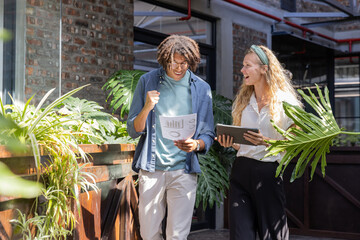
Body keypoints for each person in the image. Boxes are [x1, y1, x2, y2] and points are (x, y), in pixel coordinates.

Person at [127, 35, 215, 240]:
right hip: (151, 169)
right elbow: (133, 129)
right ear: (164, 59)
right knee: (149, 234)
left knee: (177, 235)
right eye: (173, 63)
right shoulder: (147, 81)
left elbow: (208, 134)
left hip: (183, 171)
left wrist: (196, 144)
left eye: (183, 63)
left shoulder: (201, 89)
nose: (178, 68)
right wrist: (148, 107)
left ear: (190, 62)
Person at [217, 45, 302, 240]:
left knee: (273, 235)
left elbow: (296, 144)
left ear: (264, 68)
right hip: (241, 172)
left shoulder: (286, 102)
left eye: (247, 65)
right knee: (240, 235)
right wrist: (231, 142)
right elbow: (243, 144)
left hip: (269, 174)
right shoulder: (243, 102)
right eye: (243, 66)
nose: (242, 70)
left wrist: (268, 142)